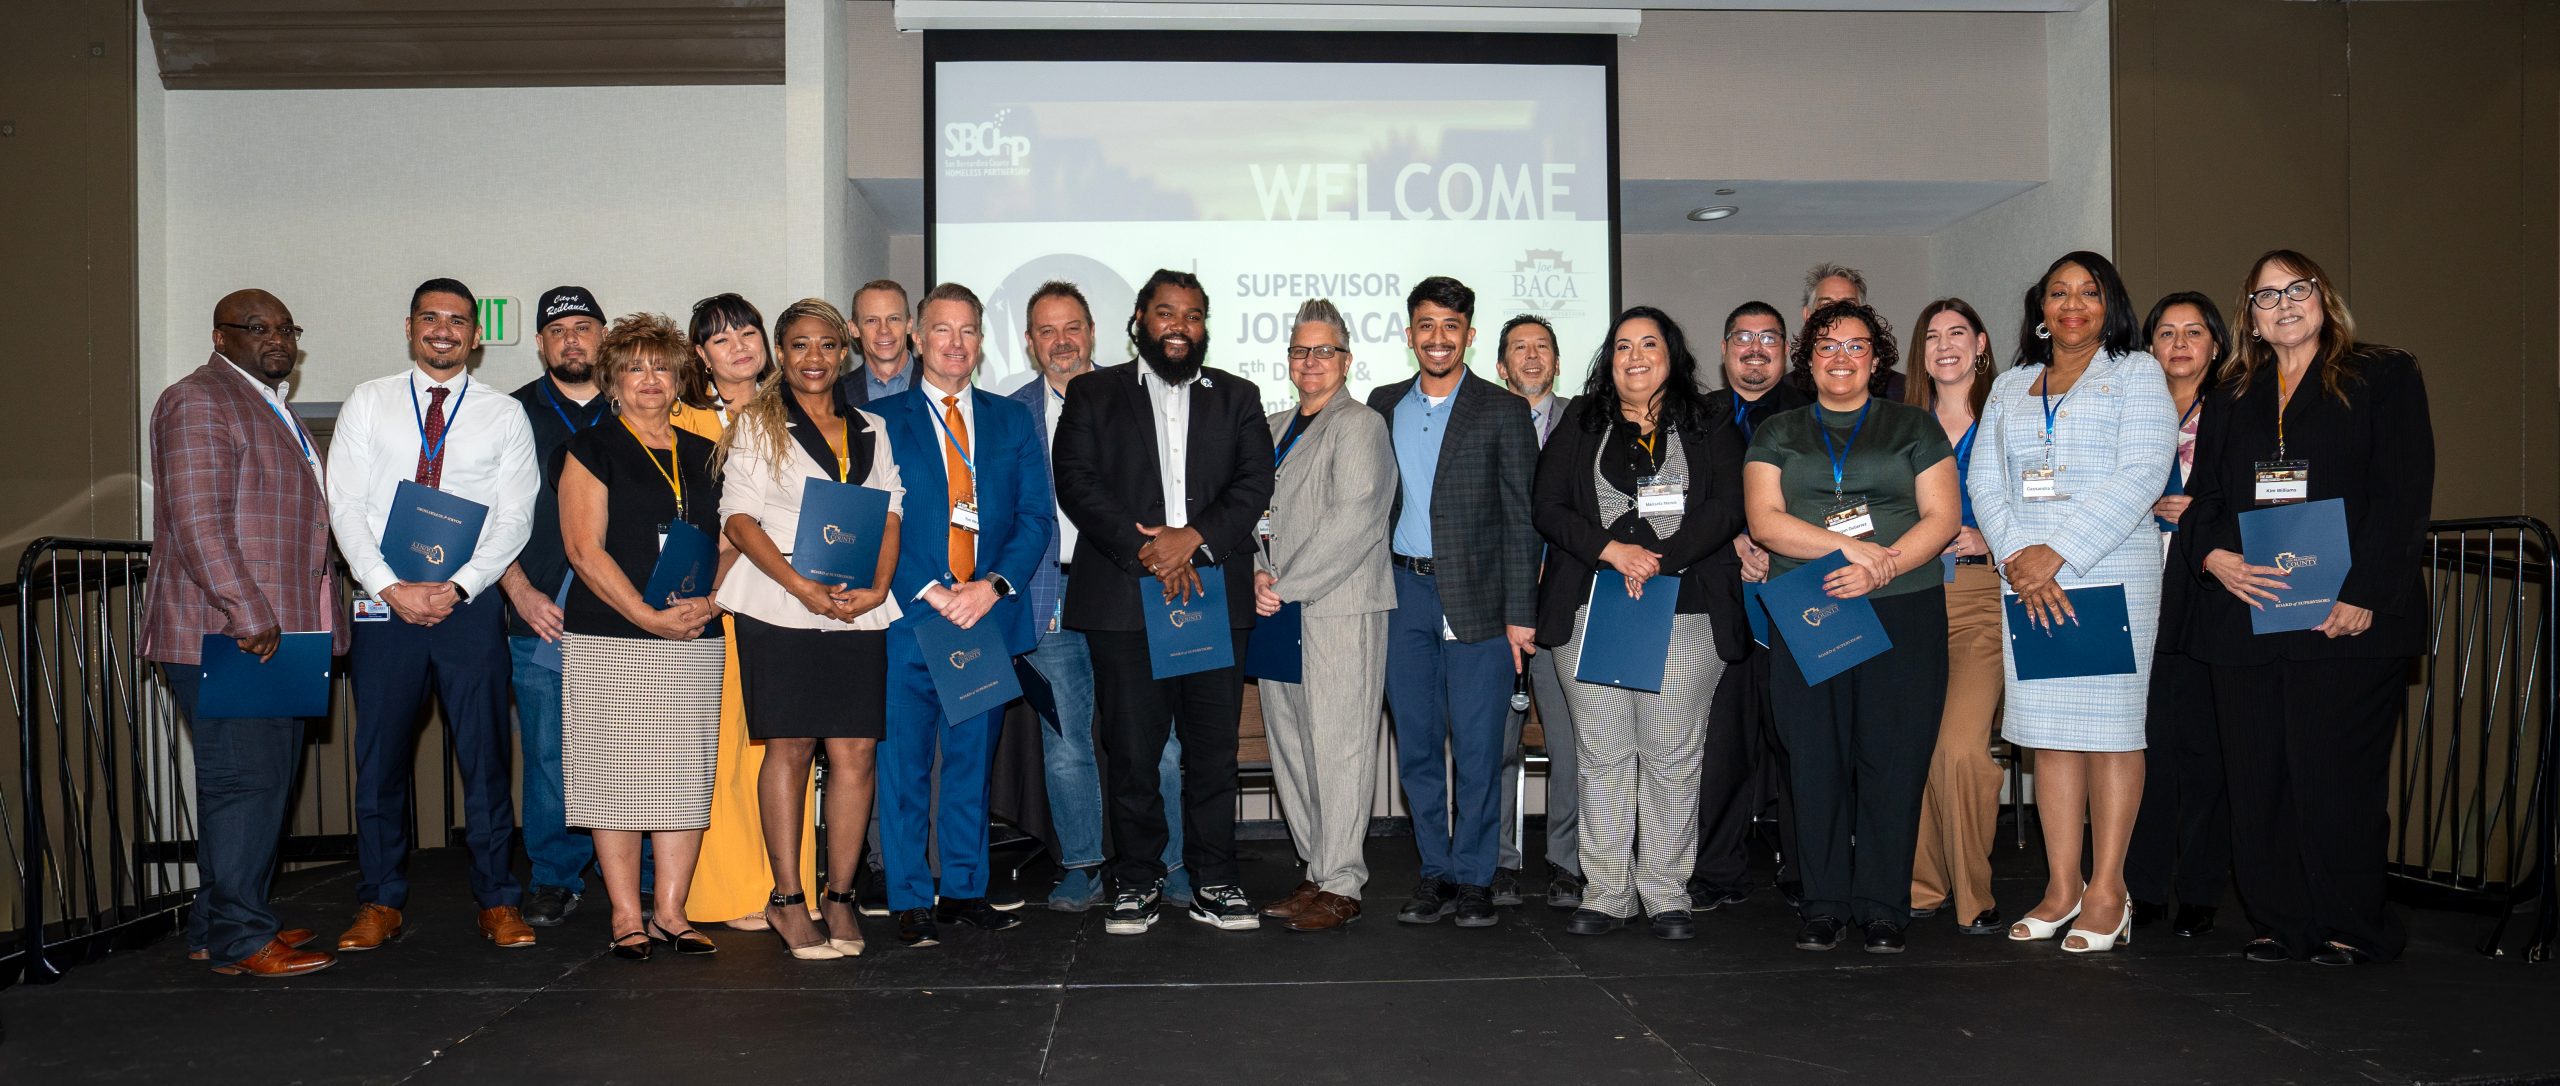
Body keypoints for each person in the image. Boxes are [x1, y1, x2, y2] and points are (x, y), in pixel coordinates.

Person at [2180, 250, 2433, 966]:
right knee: (2257, 775)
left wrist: (2365, 593)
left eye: (2297, 289)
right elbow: (2204, 498)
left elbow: (2403, 492)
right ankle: (2281, 922)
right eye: (2266, 296)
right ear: (2250, 316)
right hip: (2248, 612)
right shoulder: (2233, 393)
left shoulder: (2382, 374)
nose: (2284, 304)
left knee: (2337, 778)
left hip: (2344, 616)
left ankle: (2353, 926)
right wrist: (2212, 556)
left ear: (2324, 297)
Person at [1053, 268, 1275, 936]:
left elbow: (1254, 482)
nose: (1180, 326)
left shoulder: (1238, 396)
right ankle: (1137, 881)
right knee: (1132, 752)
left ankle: (1216, 880)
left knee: (1213, 753)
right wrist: (1148, 549)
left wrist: (1193, 540)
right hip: (1123, 600)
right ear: (1139, 321)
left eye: (1193, 315)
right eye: (1166, 313)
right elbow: (1076, 481)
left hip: (1213, 594)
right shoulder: (1093, 393)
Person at [325, 278, 541, 954]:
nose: (443, 330)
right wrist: (389, 586)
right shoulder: (369, 401)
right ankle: (379, 901)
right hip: (384, 604)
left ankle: (498, 899)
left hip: (467, 604)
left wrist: (462, 586)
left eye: (457, 320)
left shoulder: (504, 414)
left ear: (476, 336)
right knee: (379, 759)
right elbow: (344, 506)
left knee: (485, 756)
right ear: (410, 326)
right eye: (430, 317)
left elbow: (516, 517)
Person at [1971, 251, 2175, 954]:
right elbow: (1986, 481)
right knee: (2050, 734)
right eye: (2059, 293)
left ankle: (2109, 892)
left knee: (2112, 732)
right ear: (2041, 309)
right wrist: (2019, 560)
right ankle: (2062, 887)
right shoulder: (2010, 384)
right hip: (2026, 579)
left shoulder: (2137, 373)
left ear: (2110, 304)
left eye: (2089, 292)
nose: (2073, 305)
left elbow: (2143, 472)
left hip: (2108, 570)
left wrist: (2057, 551)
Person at [1741, 300, 1958, 954]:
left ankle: (1884, 906)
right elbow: (1765, 522)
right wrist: (1853, 554)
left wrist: (1882, 568)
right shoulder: (1777, 431)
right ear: (1808, 360)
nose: (1842, 358)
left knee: (1893, 759)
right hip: (1812, 607)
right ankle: (1824, 902)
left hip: (1904, 605)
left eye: (1857, 346)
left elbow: (1942, 518)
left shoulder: (1914, 425)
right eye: (1828, 346)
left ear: (1877, 358)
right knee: (1814, 758)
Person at [141, 289, 338, 977]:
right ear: (220, 337)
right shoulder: (198, 400)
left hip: (274, 634)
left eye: (286, 328)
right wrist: (246, 611)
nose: (277, 338)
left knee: (256, 783)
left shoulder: (268, 404)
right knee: (246, 784)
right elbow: (197, 521)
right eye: (257, 328)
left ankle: (217, 923)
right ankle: (242, 939)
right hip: (231, 633)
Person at [1533, 307, 1746, 940]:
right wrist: (1612, 551)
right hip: (1593, 604)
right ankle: (1606, 892)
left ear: (1671, 355)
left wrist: (1658, 560)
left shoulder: (1709, 419)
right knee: (1602, 753)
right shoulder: (1582, 419)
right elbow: (1547, 506)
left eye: (1649, 344)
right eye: (1623, 346)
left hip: (1688, 605)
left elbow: (1728, 506)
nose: (1635, 356)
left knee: (1672, 752)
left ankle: (1665, 892)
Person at [717, 297, 905, 960]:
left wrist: (879, 586)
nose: (814, 357)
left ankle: (841, 896)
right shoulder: (757, 424)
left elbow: (889, 514)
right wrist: (801, 587)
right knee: (791, 747)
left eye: (826, 344)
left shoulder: (873, 427)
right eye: (799, 345)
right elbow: (739, 521)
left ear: (843, 351)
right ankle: (788, 900)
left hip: (858, 603)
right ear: (781, 353)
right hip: (780, 603)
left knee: (856, 751)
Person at [1004, 281, 1193, 913]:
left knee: (1159, 739)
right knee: (1065, 742)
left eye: (1072, 327)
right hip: (1049, 590)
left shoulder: (1138, 395)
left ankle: (1172, 862)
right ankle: (1081, 864)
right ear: (1029, 342)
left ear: (1093, 332)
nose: (1062, 342)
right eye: (1047, 331)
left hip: (1132, 585)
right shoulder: (1011, 413)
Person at [874, 283, 1053, 947]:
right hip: (908, 616)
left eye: (968, 330)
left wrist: (991, 587)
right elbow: (875, 518)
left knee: (972, 764)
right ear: (918, 339)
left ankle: (964, 890)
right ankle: (909, 897)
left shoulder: (1011, 421)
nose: (956, 343)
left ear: (981, 342)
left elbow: (1035, 517)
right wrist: (930, 589)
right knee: (903, 766)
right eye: (942, 330)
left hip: (984, 615)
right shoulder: (877, 420)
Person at [1367, 276, 1542, 930]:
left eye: (1450, 326)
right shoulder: (1383, 404)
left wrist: (1521, 614)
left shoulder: (1502, 410)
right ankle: (1434, 871)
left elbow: (1522, 521)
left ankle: (1475, 877)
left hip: (1481, 602)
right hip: (1402, 595)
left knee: (1477, 749)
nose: (1437, 338)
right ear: (1409, 333)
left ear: (1468, 334)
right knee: (1416, 746)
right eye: (1426, 325)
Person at [557, 312, 729, 960]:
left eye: (661, 367)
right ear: (612, 382)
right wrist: (645, 615)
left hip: (693, 632)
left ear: (680, 378)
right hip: (613, 634)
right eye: (634, 368)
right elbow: (583, 549)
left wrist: (710, 601)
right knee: (615, 780)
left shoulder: (705, 454)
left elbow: (731, 539)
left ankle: (671, 913)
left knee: (683, 775)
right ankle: (627, 916)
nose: (650, 379)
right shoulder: (591, 447)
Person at [1251, 299, 1398, 932]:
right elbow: (1250, 512)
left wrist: (1285, 585)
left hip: (1337, 608)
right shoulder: (1271, 426)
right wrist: (1256, 573)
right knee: (1291, 746)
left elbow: (1355, 520)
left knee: (1339, 746)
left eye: (1323, 351)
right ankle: (1315, 870)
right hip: (1277, 606)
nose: (1310, 361)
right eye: (1299, 350)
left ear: (1346, 359)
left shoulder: (1360, 425)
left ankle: (1342, 883)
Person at [675, 294, 819, 932]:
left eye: (748, 332)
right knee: (721, 750)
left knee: (785, 744)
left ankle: (786, 888)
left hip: (785, 598)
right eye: (720, 338)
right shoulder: (679, 418)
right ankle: (731, 891)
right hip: (704, 603)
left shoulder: (800, 410)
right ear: (701, 356)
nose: (738, 346)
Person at [499, 285, 614, 928]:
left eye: (584, 327)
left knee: (635, 746)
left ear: (604, 336)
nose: (572, 340)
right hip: (542, 610)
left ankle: (646, 875)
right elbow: (486, 518)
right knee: (549, 752)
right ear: (541, 344)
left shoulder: (636, 404)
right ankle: (554, 874)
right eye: (558, 331)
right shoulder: (509, 414)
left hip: (627, 612)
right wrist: (518, 590)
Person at [1693, 301, 1809, 912]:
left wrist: (1774, 544)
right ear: (1724, 349)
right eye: (1743, 336)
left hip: (1800, 594)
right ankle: (1717, 872)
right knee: (1723, 746)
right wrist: (1734, 541)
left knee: (1801, 742)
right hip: (1722, 598)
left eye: (1769, 337)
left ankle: (1807, 870)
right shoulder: (1695, 416)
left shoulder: (1814, 413)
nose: (1755, 347)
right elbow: (1680, 503)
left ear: (1786, 350)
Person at [2128, 290, 2234, 938]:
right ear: (2149, 346)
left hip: (2206, 588)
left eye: (2194, 332)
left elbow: (2255, 492)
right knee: (2144, 745)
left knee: (2204, 747)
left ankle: (2199, 889)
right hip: (2138, 584)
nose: (2180, 343)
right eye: (2166, 332)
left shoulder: (2236, 410)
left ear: (2216, 344)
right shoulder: (2130, 409)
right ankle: (2141, 887)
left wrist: (2199, 513)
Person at [1902, 297, 2007, 936]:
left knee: (1961, 749)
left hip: (1980, 597)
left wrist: (1992, 540)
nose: (1945, 346)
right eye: (1933, 336)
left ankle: (1975, 893)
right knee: (1907, 743)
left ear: (1981, 344)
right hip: (1908, 596)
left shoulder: (2011, 414)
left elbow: (2047, 497)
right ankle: (1921, 885)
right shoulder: (1899, 424)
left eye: (1957, 333)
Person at [1490, 313, 1583, 909]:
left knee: (1572, 745)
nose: (1531, 356)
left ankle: (1568, 862)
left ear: (1556, 362)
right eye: (1519, 348)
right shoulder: (1481, 421)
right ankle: (1498, 862)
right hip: (1494, 611)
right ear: (1501, 366)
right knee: (1493, 744)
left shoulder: (1585, 422)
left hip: (1565, 607)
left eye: (1542, 347)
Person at [1802, 263, 1901, 398]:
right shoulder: (1785, 396)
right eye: (1827, 306)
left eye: (1848, 305)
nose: (1838, 313)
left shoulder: (1900, 392)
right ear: (1808, 316)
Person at [837, 279, 917, 410]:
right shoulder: (835, 394)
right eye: (871, 320)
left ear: (909, 325)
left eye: (893, 319)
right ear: (854, 329)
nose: (884, 330)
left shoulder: (940, 385)